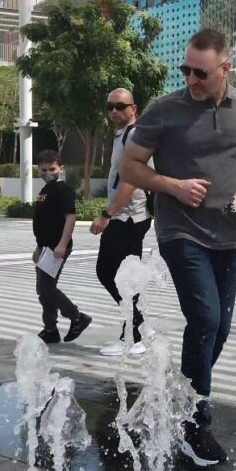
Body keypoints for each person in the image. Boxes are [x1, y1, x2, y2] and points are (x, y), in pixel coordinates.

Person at [120, 29, 236, 466]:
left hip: (229, 236)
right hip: (180, 231)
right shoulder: (163, 110)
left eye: (201, 72)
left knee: (218, 331)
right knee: (205, 318)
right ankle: (195, 425)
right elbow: (129, 166)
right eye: (186, 70)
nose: (191, 78)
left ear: (225, 69)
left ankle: (177, 398)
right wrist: (171, 184)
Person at [89, 88, 152, 357]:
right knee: (112, 272)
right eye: (110, 107)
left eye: (120, 106)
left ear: (133, 109)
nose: (114, 111)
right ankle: (138, 327)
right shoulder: (121, 134)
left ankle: (134, 336)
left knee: (114, 274)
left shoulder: (134, 135)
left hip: (129, 216)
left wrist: (106, 214)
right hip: (123, 215)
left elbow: (131, 179)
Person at [32, 149, 92, 344]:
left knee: (46, 288)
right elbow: (43, 221)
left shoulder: (62, 190)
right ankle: (50, 328)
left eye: (51, 169)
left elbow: (70, 218)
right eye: (43, 169)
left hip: (57, 247)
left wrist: (62, 245)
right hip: (45, 247)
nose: (47, 173)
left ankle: (77, 317)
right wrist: (38, 247)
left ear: (60, 168)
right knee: (43, 289)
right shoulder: (45, 190)